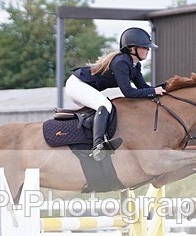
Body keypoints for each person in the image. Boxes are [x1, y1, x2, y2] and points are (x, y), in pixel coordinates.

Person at [65, 27, 165, 161]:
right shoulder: (121, 62)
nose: (148, 50)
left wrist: (163, 89)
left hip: (83, 86)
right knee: (105, 104)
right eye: (145, 47)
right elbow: (128, 92)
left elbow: (143, 88)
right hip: (77, 85)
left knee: (104, 106)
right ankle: (98, 146)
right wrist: (153, 91)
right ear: (132, 49)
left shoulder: (135, 65)